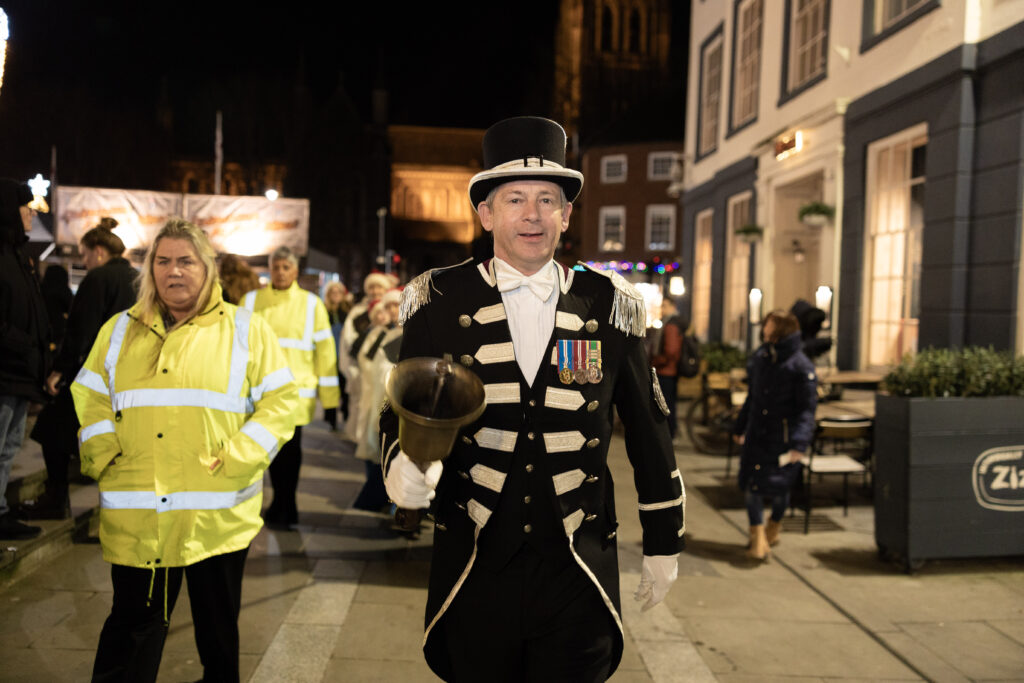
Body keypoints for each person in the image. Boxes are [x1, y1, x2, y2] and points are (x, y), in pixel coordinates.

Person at [380, 117, 685, 682]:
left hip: (576, 564)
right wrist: (399, 463)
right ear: (486, 213)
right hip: (476, 560)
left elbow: (649, 431)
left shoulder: (608, 305)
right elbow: (399, 408)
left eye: (548, 200)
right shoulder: (438, 299)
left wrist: (664, 541)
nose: (532, 214)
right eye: (514, 199)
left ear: (566, 215)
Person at [71, 219, 298, 683]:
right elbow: (90, 393)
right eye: (163, 261)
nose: (174, 271)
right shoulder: (119, 331)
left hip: (214, 517)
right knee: (132, 628)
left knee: (217, 635)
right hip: (139, 514)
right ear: (150, 270)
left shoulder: (246, 330)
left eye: (186, 261)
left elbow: (281, 403)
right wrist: (103, 452)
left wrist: (236, 458)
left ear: (208, 268)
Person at [23, 220, 138, 519]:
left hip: (97, 374)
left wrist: (60, 370)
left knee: (51, 428)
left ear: (98, 252)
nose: (84, 263)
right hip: (131, 375)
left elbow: (81, 329)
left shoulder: (99, 279)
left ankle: (56, 497)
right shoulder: (138, 278)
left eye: (85, 255)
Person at [241, 246, 339, 528]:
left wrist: (331, 402)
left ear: (296, 271)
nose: (281, 272)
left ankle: (286, 504)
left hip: (296, 394)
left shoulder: (311, 304)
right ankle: (280, 505)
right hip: (258, 393)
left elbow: (325, 353)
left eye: (286, 267)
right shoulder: (249, 301)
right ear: (270, 269)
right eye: (277, 267)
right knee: (265, 451)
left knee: (289, 452)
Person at [732, 310, 818, 561]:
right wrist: (740, 428)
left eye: (770, 324)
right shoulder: (762, 357)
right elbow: (753, 397)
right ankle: (757, 537)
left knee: (780, 489)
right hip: (757, 433)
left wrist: (799, 444)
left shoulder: (800, 366)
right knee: (752, 485)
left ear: (782, 329)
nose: (764, 328)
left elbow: (806, 410)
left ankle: (774, 526)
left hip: (782, 438)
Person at [0, 178, 49, 540]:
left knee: (10, 447)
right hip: (6, 370)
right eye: (25, 207)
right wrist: (26, 346)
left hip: (19, 372)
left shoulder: (18, 255)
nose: (31, 212)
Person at [352, 287, 402, 512]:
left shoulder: (412, 331)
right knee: (374, 447)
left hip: (397, 401)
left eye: (397, 305)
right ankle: (379, 497)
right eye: (389, 305)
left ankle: (396, 502)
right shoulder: (378, 333)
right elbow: (364, 359)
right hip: (374, 398)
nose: (392, 310)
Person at [338, 272, 391, 439]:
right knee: (360, 404)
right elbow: (348, 340)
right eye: (372, 287)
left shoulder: (391, 308)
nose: (376, 291)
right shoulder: (358, 312)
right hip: (362, 367)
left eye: (380, 287)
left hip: (384, 369)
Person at [649, 297, 688, 440]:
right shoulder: (674, 323)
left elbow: (671, 351)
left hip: (666, 371)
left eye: (665, 306)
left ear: (673, 306)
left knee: (665, 404)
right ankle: (670, 433)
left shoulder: (671, 325)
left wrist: (657, 362)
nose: (662, 309)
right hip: (670, 371)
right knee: (668, 403)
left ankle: (669, 435)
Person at [322, 280, 353, 430]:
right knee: (330, 388)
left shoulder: (347, 310)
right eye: (332, 292)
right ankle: (331, 419)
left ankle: (346, 414)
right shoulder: (323, 310)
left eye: (338, 292)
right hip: (328, 356)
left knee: (344, 388)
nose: (335, 295)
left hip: (343, 354)